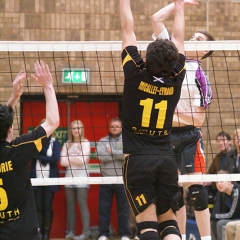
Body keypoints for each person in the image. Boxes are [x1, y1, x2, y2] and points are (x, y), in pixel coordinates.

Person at [120, 0, 186, 239]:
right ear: (174, 60)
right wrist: (179, 7)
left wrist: (123, 2)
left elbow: (128, 30)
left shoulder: (136, 74)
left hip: (138, 161)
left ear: (147, 58)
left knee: (146, 224)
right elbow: (179, 38)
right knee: (169, 221)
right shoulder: (176, 76)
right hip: (167, 160)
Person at [151, 1, 215, 239]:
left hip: (189, 136)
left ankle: (206, 237)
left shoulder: (201, 77)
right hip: (166, 137)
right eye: (192, 35)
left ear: (207, 51)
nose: (192, 38)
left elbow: (198, 121)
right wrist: (177, 4)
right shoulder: (172, 55)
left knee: (197, 192)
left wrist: (171, 113)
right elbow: (156, 19)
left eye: (199, 39)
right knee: (172, 194)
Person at [0, 60, 59, 240]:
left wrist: (14, 96)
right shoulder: (18, 149)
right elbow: (53, 122)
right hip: (23, 232)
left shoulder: (17, 148)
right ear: (10, 128)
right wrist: (48, 86)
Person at [96, 117, 131, 240]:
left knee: (123, 210)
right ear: (109, 128)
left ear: (121, 128)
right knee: (104, 209)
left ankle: (125, 234)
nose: (115, 128)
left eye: (117, 126)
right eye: (113, 126)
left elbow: (126, 155)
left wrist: (112, 152)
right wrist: (117, 154)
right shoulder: (102, 140)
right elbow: (100, 156)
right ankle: (103, 234)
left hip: (122, 180)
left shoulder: (127, 140)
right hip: (106, 179)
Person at [30, 119, 61, 240]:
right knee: (38, 208)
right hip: (36, 180)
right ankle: (39, 234)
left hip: (50, 181)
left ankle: (46, 234)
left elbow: (55, 159)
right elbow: (32, 155)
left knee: (47, 208)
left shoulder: (54, 142)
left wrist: (39, 157)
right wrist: (42, 157)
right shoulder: (35, 142)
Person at [60, 120, 91, 240]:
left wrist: (70, 159)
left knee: (83, 204)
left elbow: (83, 160)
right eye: (74, 128)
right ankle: (71, 232)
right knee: (70, 206)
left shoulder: (86, 142)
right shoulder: (67, 143)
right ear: (71, 130)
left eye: (78, 128)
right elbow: (62, 161)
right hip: (69, 179)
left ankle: (86, 233)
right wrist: (77, 159)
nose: (76, 130)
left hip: (82, 178)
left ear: (82, 129)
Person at [210, 170, 240, 240]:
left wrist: (213, 216)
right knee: (213, 223)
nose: (219, 184)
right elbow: (219, 211)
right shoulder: (222, 192)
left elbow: (232, 214)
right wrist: (212, 217)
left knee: (220, 223)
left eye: (221, 181)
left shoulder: (236, 191)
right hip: (234, 218)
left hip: (237, 218)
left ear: (229, 181)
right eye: (217, 182)